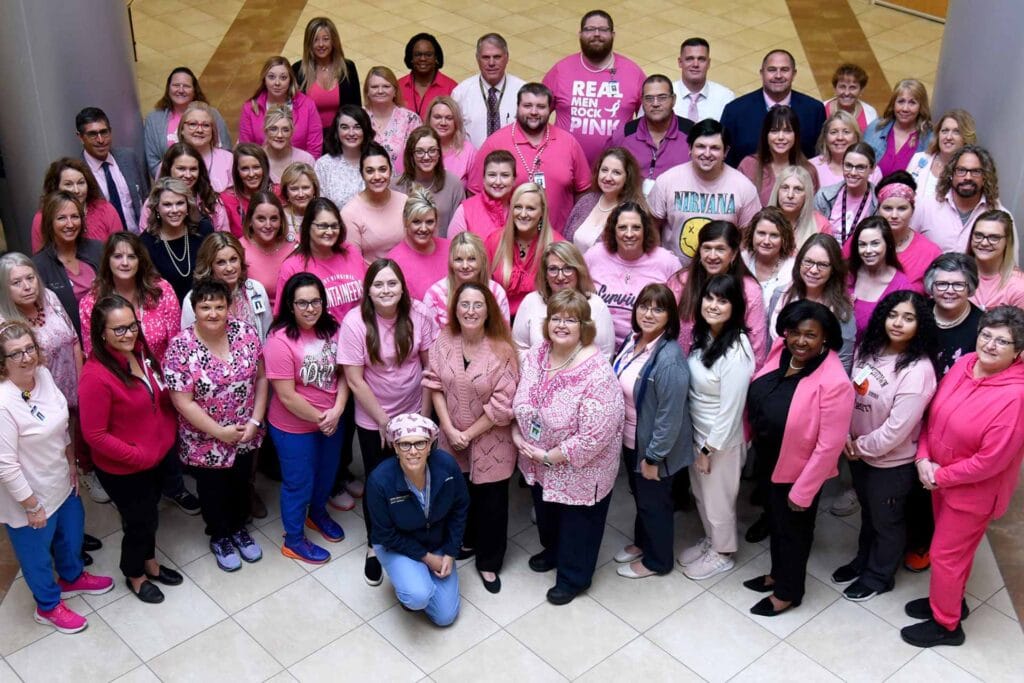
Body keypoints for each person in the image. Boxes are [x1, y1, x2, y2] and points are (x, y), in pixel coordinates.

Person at [901, 306, 1024, 648]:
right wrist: (924, 456)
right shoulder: (964, 363)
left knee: (946, 555)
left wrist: (940, 476)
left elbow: (991, 461)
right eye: (987, 334)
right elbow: (933, 411)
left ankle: (947, 625)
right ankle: (950, 600)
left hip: (972, 493)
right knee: (953, 554)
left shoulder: (1016, 396)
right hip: (938, 477)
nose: (991, 344)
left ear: (1018, 352)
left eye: (1004, 341)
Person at [0, 321, 113, 633]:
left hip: (61, 480)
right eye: (15, 354)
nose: (25, 358)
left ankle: (72, 577)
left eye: (29, 349)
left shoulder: (44, 376)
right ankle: (47, 606)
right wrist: (32, 505)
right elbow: (5, 466)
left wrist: (71, 463)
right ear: (2, 361)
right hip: (28, 497)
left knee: (71, 535)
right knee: (36, 557)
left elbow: (62, 424)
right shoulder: (3, 403)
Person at [513, 289, 625, 605]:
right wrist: (519, 433)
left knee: (578, 524)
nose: (561, 325)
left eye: (570, 320)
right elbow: (522, 395)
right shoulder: (538, 354)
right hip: (537, 457)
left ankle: (574, 577)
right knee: (548, 514)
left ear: (584, 327)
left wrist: (549, 455)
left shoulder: (597, 371)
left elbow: (594, 437)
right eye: (556, 318)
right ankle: (553, 552)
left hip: (580, 468)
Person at [743, 300, 854, 616]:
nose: (800, 341)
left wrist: (803, 491)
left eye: (810, 335)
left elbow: (829, 447)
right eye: (795, 332)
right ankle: (777, 574)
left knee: (794, 533)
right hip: (769, 460)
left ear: (824, 339)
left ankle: (789, 592)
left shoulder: (835, 383)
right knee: (777, 526)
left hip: (799, 473)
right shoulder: (781, 350)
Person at [338, 259, 437, 586]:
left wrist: (423, 416)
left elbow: (428, 368)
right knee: (380, 482)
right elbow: (354, 380)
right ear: (368, 289)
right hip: (374, 418)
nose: (385, 290)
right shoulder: (355, 322)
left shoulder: (419, 313)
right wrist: (384, 422)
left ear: (402, 287)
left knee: (415, 478)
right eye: (378, 284)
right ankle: (375, 544)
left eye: (392, 283)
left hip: (413, 411)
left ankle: (412, 537)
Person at [833, 291, 937, 602]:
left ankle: (879, 577)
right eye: (893, 315)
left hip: (890, 464)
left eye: (908, 318)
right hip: (858, 452)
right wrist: (848, 439)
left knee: (887, 522)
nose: (898, 323)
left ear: (920, 325)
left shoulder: (918, 370)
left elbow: (895, 431)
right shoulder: (870, 348)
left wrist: (859, 446)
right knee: (869, 514)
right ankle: (864, 560)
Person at [79, 295, 181, 603]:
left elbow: (157, 396)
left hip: (156, 457)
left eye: (132, 326)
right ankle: (134, 574)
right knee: (138, 523)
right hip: (125, 469)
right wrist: (138, 455)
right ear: (102, 334)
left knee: (150, 517)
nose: (129, 333)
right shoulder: (95, 376)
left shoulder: (140, 352)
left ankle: (150, 563)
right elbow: (94, 435)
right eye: (119, 329)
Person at [164, 279, 268, 571]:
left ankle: (238, 529)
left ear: (229, 307)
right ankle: (220, 535)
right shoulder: (181, 347)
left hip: (246, 431)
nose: (213, 313)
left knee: (241, 482)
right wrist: (219, 432)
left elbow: (261, 378)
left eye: (219, 306)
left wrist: (255, 420)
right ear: (194, 309)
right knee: (213, 491)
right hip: (205, 440)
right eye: (205, 306)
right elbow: (182, 401)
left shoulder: (245, 333)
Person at [423, 283, 518, 592]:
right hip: (453, 436)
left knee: (491, 502)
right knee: (461, 495)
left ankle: (489, 563)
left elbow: (503, 404)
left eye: (478, 304)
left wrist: (468, 433)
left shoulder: (503, 349)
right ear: (455, 308)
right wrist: (449, 429)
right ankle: (467, 541)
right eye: (464, 304)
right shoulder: (444, 340)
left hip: (492, 442)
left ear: (489, 309)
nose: (471, 311)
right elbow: (434, 384)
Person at [264, 273, 347, 564]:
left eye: (316, 302)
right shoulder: (279, 340)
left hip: (332, 421)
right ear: (290, 305)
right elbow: (286, 395)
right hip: (294, 428)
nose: (310, 308)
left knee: (327, 475)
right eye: (302, 303)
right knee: (299, 483)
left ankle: (318, 514)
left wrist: (337, 411)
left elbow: (345, 374)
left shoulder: (333, 329)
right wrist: (322, 419)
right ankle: (294, 540)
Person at [612, 284, 692, 580]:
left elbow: (669, 418)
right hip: (631, 438)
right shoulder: (632, 341)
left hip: (652, 447)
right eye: (644, 306)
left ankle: (658, 561)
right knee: (641, 497)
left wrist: (653, 457)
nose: (648, 313)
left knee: (655, 503)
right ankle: (643, 543)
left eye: (658, 309)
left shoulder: (669, 359)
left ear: (670, 317)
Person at [678, 275, 755, 580]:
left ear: (735, 307)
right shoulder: (706, 336)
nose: (713, 305)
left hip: (719, 442)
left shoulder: (737, 350)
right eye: (709, 298)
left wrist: (709, 449)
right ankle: (712, 540)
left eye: (723, 300)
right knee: (702, 494)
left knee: (719, 500)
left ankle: (723, 553)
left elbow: (731, 411)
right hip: (698, 434)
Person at [0, 255, 89, 503]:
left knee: (72, 443)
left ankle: (78, 483)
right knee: (50, 453)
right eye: (16, 282)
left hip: (71, 384)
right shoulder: (4, 324)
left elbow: (73, 340)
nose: (27, 286)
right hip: (37, 398)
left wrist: (82, 384)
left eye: (30, 278)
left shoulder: (49, 297)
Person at [365, 413, 469, 625]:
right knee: (417, 596)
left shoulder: (447, 466)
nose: (413, 452)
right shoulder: (379, 481)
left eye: (420, 443)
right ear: (394, 447)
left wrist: (451, 551)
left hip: (437, 542)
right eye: (405, 445)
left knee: (445, 617)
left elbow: (460, 507)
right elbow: (385, 535)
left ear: (430, 445)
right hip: (396, 545)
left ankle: (417, 577)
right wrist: (427, 558)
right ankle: (409, 583)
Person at [467, 82, 591, 233]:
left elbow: (584, 192)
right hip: (507, 240)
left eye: (540, 106)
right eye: (527, 105)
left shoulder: (568, 143)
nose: (533, 111)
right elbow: (475, 193)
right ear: (517, 107)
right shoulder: (495, 143)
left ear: (550, 109)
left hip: (557, 243)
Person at [647, 119, 761, 267]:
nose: (707, 154)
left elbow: (749, 237)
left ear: (725, 152)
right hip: (675, 273)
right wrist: (661, 263)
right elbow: (652, 225)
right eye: (701, 146)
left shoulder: (744, 187)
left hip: (723, 276)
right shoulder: (667, 181)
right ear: (690, 148)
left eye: (714, 148)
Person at [543, 10, 645, 163]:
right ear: (580, 34)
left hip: (616, 171)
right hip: (565, 164)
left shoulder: (633, 73)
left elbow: (647, 124)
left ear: (613, 35)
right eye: (590, 29)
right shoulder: (560, 70)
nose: (596, 34)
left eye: (603, 29)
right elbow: (536, 114)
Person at [668, 220, 768, 363]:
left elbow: (756, 347)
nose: (712, 256)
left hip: (724, 376)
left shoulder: (749, 290)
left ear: (733, 254)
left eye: (720, 249)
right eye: (707, 248)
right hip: (677, 369)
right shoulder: (681, 281)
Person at [584, 202, 681, 345]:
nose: (629, 234)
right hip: (596, 345)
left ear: (645, 231)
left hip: (645, 349)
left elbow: (680, 315)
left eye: (636, 228)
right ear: (613, 231)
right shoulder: (594, 255)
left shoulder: (667, 262)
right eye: (622, 227)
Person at [79, 232, 182, 365]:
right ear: (107, 260)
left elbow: (175, 346)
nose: (125, 263)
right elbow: (94, 355)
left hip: (162, 376)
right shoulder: (91, 303)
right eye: (117, 256)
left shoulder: (162, 290)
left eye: (132, 257)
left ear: (140, 261)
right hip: (118, 379)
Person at [720, 50, 826, 167]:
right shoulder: (735, 111)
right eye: (772, 70)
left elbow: (820, 157)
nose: (778, 75)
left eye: (785, 70)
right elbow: (725, 159)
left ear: (794, 74)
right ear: (762, 73)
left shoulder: (814, 110)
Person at [768, 233, 856, 372]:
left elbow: (842, 365)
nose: (813, 270)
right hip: (777, 374)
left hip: (817, 384)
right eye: (808, 261)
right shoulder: (780, 296)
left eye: (822, 265)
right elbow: (770, 348)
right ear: (799, 262)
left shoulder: (842, 312)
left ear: (833, 269)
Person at [513, 241, 614, 359]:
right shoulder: (531, 302)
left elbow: (605, 355)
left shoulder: (596, 305)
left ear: (578, 270)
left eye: (568, 268)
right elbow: (518, 349)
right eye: (553, 269)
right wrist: (541, 371)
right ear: (545, 274)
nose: (560, 276)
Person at [276, 197, 365, 325]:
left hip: (358, 337)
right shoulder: (292, 267)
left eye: (334, 226)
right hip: (319, 341)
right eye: (322, 226)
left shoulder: (351, 252)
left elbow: (369, 297)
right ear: (307, 226)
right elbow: (283, 320)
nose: (329, 231)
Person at [31, 192, 103, 337]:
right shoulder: (39, 266)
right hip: (73, 344)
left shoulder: (99, 249)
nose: (70, 224)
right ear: (49, 223)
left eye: (75, 217)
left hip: (111, 335)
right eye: (61, 218)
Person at [485, 183, 564, 315]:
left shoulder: (556, 245)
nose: (523, 214)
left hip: (541, 321)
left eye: (531, 208)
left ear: (542, 212)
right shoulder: (495, 240)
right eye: (518, 207)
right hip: (498, 320)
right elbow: (482, 287)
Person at [912, 144, 1005, 254]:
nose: (968, 177)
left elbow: (1009, 264)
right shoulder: (925, 207)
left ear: (985, 177)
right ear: (951, 174)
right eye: (961, 170)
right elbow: (906, 248)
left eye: (976, 172)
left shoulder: (999, 215)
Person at [143, 66, 232, 177]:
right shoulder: (154, 119)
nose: (181, 90)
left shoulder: (212, 114)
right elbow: (152, 160)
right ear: (168, 88)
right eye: (176, 85)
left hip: (212, 181)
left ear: (194, 90)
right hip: (172, 184)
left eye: (186, 86)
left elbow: (226, 148)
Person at [181, 233, 273, 341]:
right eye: (221, 262)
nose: (229, 268)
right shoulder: (194, 298)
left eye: (233, 259)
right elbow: (189, 341)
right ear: (209, 266)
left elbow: (268, 334)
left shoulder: (256, 290)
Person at [609, 74, 694, 187]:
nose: (655, 104)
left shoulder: (692, 134)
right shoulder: (624, 134)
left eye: (662, 97)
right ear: (642, 102)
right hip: (632, 202)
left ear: (673, 100)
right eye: (649, 98)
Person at [140, 177, 214, 303]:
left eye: (180, 203)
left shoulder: (204, 229)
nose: (174, 210)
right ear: (157, 208)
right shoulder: (146, 243)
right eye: (167, 204)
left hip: (208, 307)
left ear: (188, 205)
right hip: (170, 314)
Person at [75, 107, 149, 233]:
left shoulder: (128, 158)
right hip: (105, 247)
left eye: (104, 132)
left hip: (139, 239)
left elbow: (146, 198)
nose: (100, 140)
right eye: (93, 134)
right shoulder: (76, 172)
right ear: (80, 137)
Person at [565, 147, 649, 253]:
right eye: (604, 170)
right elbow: (566, 242)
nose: (608, 178)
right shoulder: (586, 201)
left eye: (616, 173)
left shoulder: (633, 212)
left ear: (627, 177)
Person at [29, 158, 122, 252]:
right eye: (68, 184)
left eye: (81, 183)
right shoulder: (42, 218)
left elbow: (120, 250)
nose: (76, 190)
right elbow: (40, 260)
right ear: (56, 187)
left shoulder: (105, 209)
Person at [452, 33, 527, 146]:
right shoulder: (461, 93)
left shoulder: (523, 91)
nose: (491, 63)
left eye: (497, 57)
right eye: (486, 57)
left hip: (514, 161)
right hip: (474, 162)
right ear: (477, 59)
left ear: (507, 57)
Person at [238, 56, 322, 157]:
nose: (277, 83)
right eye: (271, 77)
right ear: (264, 80)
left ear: (290, 80)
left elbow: (314, 148)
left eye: (283, 78)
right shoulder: (250, 108)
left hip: (299, 168)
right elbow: (246, 149)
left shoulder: (307, 105)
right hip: (262, 168)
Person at [423, 232, 510, 328]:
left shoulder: (496, 293)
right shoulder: (434, 295)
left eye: (471, 259)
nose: (465, 266)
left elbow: (503, 336)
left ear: (482, 260)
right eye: (458, 259)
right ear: (451, 262)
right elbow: (429, 340)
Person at [848, 216, 915, 339]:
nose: (868, 250)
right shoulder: (846, 274)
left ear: (888, 244)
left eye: (875, 243)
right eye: (862, 244)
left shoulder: (901, 286)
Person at [870, 172, 941, 288]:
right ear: (878, 210)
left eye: (902, 208)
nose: (894, 215)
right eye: (887, 208)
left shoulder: (930, 252)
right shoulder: (861, 241)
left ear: (912, 210)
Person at [291, 17, 361, 132]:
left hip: (342, 136)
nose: (321, 44)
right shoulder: (298, 70)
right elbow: (292, 110)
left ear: (333, 41)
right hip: (310, 136)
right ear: (308, 43)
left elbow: (356, 108)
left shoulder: (348, 67)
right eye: (315, 40)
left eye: (326, 39)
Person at [739, 106, 819, 205]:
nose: (781, 137)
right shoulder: (749, 165)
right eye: (774, 131)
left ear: (796, 135)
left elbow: (812, 211)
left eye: (787, 131)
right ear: (766, 135)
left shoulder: (808, 170)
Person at [341, 143, 408, 263]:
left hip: (409, 272)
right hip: (373, 278)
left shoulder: (405, 202)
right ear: (362, 174)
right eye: (370, 171)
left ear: (390, 171)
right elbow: (354, 262)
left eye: (382, 169)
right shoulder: (349, 213)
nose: (377, 176)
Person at [393, 126, 465, 236]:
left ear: (439, 153)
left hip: (444, 250)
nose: (426, 157)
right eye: (420, 151)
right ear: (411, 155)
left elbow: (459, 230)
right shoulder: (395, 186)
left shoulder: (454, 185)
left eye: (432, 151)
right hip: (406, 250)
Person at [387, 189, 451, 301]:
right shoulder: (393, 262)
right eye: (416, 222)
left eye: (429, 222)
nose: (423, 228)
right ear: (406, 221)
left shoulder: (451, 249)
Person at [150, 142, 228, 233]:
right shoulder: (153, 202)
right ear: (169, 169)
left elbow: (224, 240)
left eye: (193, 169)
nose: (188, 175)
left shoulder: (211, 200)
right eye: (181, 169)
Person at [927, 254, 983, 376]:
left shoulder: (982, 325)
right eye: (942, 284)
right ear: (931, 286)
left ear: (970, 288)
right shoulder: (917, 311)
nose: (950, 291)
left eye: (958, 285)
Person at [863, 79, 933, 177]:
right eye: (901, 101)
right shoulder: (875, 128)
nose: (905, 109)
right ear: (893, 104)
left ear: (921, 107)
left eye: (912, 103)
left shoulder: (929, 139)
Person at [813, 142, 879, 246]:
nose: (852, 173)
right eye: (848, 165)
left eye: (860, 167)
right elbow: (814, 236)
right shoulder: (824, 196)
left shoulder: (879, 201)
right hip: (828, 256)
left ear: (872, 169)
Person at [363, 65, 422, 174]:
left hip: (402, 184)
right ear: (367, 91)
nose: (380, 91)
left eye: (386, 86)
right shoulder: (358, 118)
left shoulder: (411, 120)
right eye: (374, 87)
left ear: (395, 91)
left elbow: (419, 156)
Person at [239, 192, 294, 308]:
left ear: (281, 221)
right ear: (250, 221)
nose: (268, 225)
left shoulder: (295, 245)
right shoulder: (238, 250)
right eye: (261, 219)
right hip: (259, 320)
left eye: (274, 219)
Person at [906, 109, 976, 200]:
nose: (948, 137)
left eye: (956, 132)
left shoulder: (969, 171)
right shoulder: (919, 158)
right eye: (945, 131)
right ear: (938, 134)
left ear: (965, 137)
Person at [447, 150, 515, 239]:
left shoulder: (521, 209)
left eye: (505, 175)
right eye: (492, 175)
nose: (498, 182)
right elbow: (454, 250)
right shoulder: (465, 211)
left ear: (514, 180)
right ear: (483, 179)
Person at [809, 110, 883, 188]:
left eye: (846, 132)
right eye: (834, 132)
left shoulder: (872, 171)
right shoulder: (811, 167)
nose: (840, 137)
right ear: (825, 137)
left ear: (856, 136)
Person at [316, 105, 371, 209]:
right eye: (344, 127)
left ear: (365, 130)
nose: (351, 133)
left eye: (357, 127)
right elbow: (320, 207)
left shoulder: (378, 159)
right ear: (336, 131)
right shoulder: (324, 165)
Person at [741, 207, 797, 309]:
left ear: (784, 239)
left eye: (774, 235)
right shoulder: (741, 260)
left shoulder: (792, 269)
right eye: (761, 233)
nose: (766, 241)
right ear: (752, 234)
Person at [966, 210, 1024, 309]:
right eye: (978, 235)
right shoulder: (956, 273)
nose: (984, 243)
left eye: (994, 237)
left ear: (1007, 241)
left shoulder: (1019, 286)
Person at [672, 37, 735, 122]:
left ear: (708, 63)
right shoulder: (666, 95)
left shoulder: (725, 97)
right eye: (689, 59)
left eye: (701, 59)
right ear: (680, 62)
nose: (695, 64)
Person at [398, 33, 457, 120]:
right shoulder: (397, 86)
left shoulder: (451, 88)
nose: (423, 59)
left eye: (428, 55)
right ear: (411, 58)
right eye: (418, 54)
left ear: (436, 58)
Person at [770, 165, 832, 247]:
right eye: (785, 188)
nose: (790, 195)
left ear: (807, 194)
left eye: (798, 189)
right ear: (777, 191)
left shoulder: (821, 225)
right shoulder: (762, 221)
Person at [177, 102, 234, 192]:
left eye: (206, 125)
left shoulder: (229, 159)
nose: (199, 130)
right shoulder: (170, 159)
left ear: (213, 130)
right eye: (193, 124)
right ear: (182, 130)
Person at [220, 144, 274, 238]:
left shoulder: (277, 192)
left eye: (256, 167)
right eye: (245, 169)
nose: (251, 174)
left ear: (264, 168)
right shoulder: (226, 199)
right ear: (237, 171)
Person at [426, 97, 476, 187]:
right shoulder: (414, 147)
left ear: (456, 121)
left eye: (449, 118)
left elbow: (474, 193)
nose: (443, 123)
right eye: (437, 117)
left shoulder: (469, 151)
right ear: (429, 119)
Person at [262, 106, 316, 184]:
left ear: (292, 132)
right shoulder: (256, 160)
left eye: (285, 130)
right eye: (273, 129)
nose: (279, 135)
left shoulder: (306, 160)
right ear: (266, 130)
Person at [824, 63, 877, 131]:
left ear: (861, 90)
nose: (846, 93)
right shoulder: (821, 109)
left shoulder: (870, 113)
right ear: (835, 88)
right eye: (842, 87)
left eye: (852, 87)